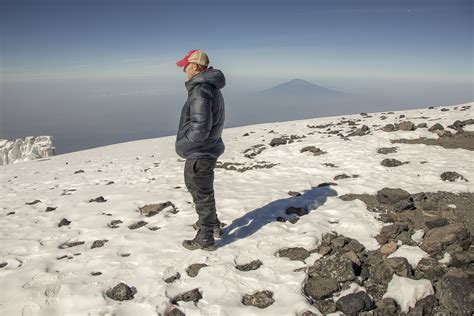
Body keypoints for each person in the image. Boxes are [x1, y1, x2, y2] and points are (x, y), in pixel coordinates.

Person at [175, 49, 226, 251]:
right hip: (207, 149)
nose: (184, 70)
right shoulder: (211, 87)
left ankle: (205, 237)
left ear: (194, 66)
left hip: (200, 152)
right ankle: (211, 225)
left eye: (185, 66)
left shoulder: (201, 90)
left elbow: (200, 127)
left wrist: (182, 146)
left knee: (200, 192)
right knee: (202, 190)